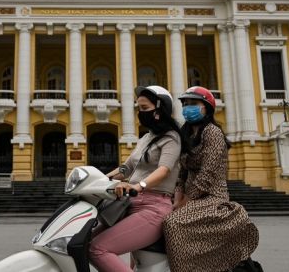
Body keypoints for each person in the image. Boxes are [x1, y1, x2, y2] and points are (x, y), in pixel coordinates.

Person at [89, 85, 186, 272]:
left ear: (159, 110)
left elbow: (164, 170)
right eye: (138, 108)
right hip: (129, 204)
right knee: (86, 241)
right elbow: (126, 168)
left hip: (154, 208)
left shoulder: (172, 138)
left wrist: (140, 185)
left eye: (144, 108)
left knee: (98, 248)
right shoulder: (146, 138)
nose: (139, 113)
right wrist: (97, 180)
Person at [164, 86, 259, 272]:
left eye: (194, 104)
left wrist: (185, 201)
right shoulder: (186, 134)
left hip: (212, 197)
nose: (188, 108)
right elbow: (182, 172)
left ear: (207, 107)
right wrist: (177, 197)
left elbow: (207, 173)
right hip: (189, 197)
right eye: (185, 104)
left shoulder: (212, 132)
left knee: (172, 223)